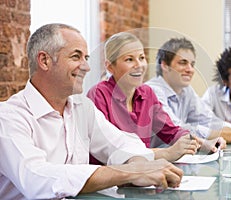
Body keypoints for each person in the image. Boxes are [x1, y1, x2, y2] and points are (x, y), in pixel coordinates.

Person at [0, 23, 185, 199]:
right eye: (76, 57)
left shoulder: (82, 107)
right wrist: (129, 172)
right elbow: (37, 178)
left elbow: (119, 144)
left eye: (86, 58)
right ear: (44, 60)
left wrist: (140, 165)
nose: (87, 67)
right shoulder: (8, 117)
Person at [87, 32, 226, 163]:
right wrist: (166, 153)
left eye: (141, 58)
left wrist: (203, 144)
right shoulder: (99, 94)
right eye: (129, 59)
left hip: (143, 175)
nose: (139, 65)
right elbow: (111, 151)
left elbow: (171, 131)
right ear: (110, 67)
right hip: (110, 181)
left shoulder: (146, 93)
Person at [146, 38, 231, 143]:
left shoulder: (186, 91)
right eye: (183, 63)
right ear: (165, 65)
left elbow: (209, 120)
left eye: (192, 64)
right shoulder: (152, 91)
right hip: (152, 160)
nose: (190, 70)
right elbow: (177, 131)